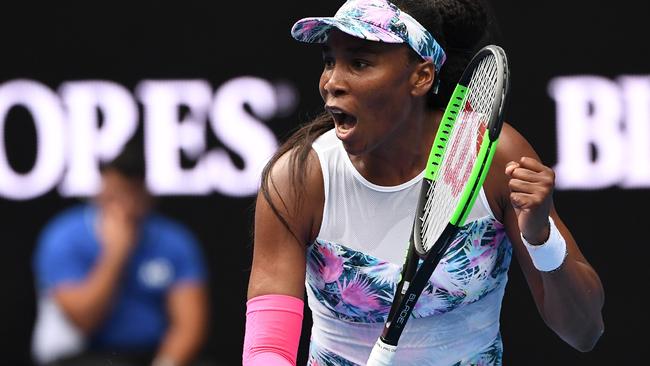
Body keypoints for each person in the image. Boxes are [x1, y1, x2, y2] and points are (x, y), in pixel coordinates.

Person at [243, 0, 605, 365]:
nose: (332, 83)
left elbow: (584, 331)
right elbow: (266, 350)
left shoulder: (492, 159)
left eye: (359, 62)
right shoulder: (299, 178)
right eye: (329, 61)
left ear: (421, 76)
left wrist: (541, 238)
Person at [32, 143, 209, 366]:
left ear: (146, 194)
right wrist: (116, 253)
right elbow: (85, 318)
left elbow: (189, 325)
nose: (124, 206)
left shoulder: (173, 240)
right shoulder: (63, 237)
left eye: (131, 193)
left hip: (152, 354)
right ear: (100, 192)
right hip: (85, 354)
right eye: (114, 195)